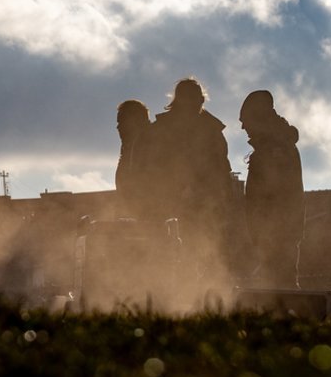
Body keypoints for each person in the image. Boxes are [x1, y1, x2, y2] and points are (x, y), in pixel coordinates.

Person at [149, 78, 237, 277]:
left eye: (199, 99)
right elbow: (153, 167)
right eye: (192, 99)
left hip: (205, 205)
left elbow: (222, 168)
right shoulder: (161, 130)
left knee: (207, 254)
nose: (197, 104)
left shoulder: (211, 130)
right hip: (169, 206)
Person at [239, 90, 304, 286]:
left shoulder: (274, 150)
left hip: (275, 235)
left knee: (279, 289)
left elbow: (270, 196)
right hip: (275, 233)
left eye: (246, 120)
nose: (243, 127)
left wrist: (263, 233)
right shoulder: (277, 145)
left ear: (259, 119)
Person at [114, 99, 153, 218]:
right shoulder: (128, 148)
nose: (118, 127)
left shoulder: (150, 147)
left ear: (134, 121)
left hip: (147, 220)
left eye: (121, 122)